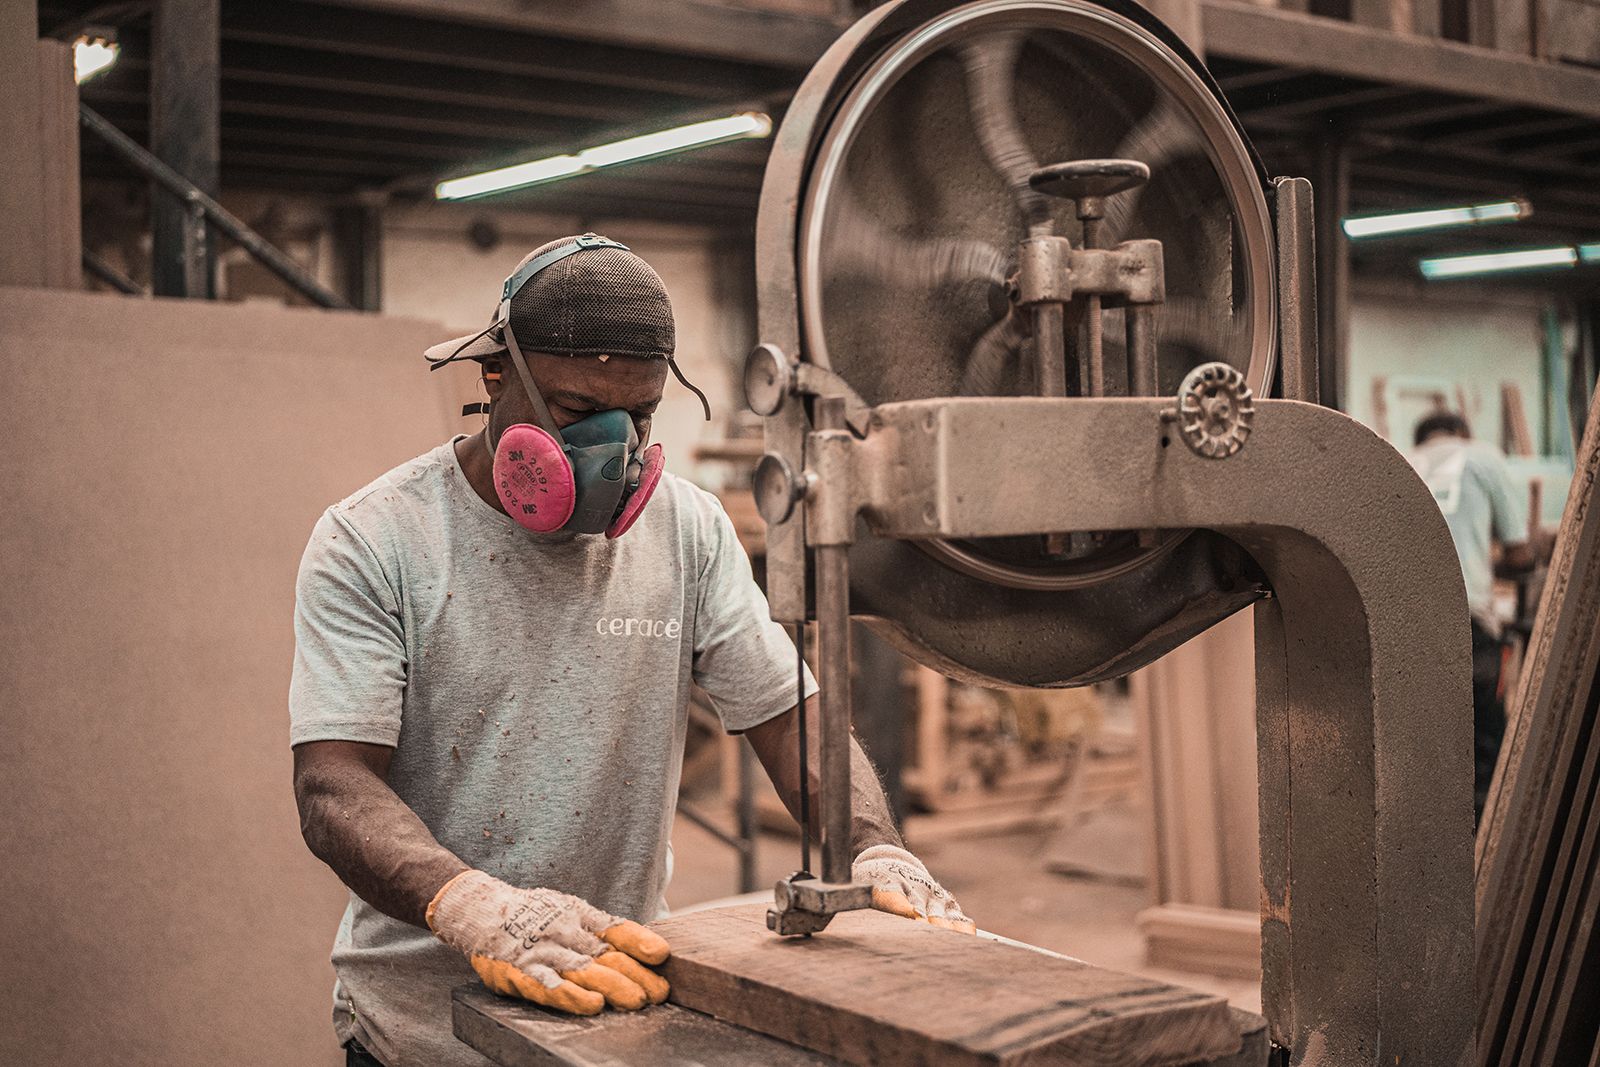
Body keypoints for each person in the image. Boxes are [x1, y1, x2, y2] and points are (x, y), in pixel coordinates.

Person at [289, 234, 971, 1067]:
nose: (614, 445)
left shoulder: (684, 528)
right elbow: (333, 783)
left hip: (611, 1006)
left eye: (640, 415)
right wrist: (472, 905)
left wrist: (873, 845)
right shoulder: (375, 538)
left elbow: (788, 715)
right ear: (495, 374)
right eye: (578, 414)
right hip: (420, 1030)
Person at [1408, 410, 1551, 823]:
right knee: (1484, 743)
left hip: (1404, 621)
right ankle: (1484, 849)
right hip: (1466, 617)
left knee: (1425, 743)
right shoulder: (1482, 457)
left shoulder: (1398, 459)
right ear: (1462, 433)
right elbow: (1520, 556)